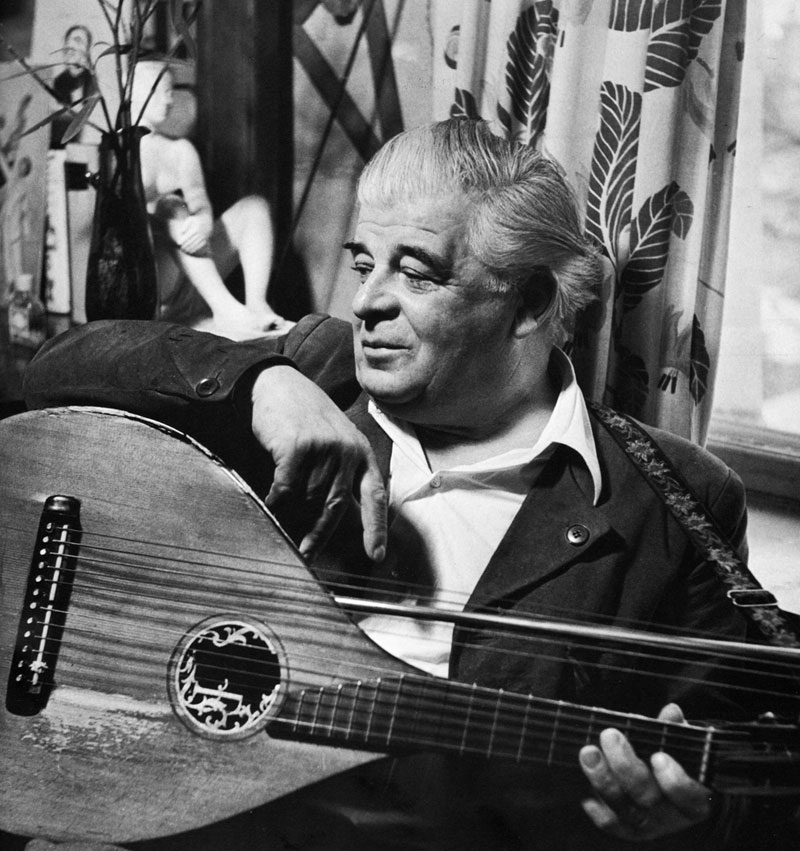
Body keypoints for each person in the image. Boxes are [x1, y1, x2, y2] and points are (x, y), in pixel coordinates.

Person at [20, 119, 797, 849]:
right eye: (362, 264)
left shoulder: (673, 498)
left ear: (527, 302)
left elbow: (737, 771)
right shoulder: (311, 371)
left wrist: (686, 815)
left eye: (414, 273)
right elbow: (57, 367)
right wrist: (259, 380)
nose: (365, 301)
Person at [132, 60, 291, 340]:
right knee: (170, 205)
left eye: (171, 91)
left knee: (255, 207)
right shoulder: (121, 152)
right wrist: (165, 215)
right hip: (154, 283)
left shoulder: (180, 150)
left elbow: (199, 202)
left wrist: (204, 221)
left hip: (195, 275)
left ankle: (255, 304)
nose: (169, 99)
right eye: (161, 90)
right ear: (135, 92)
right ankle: (225, 308)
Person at [50, 25, 97, 149]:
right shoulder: (59, 81)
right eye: (68, 43)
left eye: (77, 40)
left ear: (87, 50)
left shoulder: (91, 80)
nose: (70, 47)